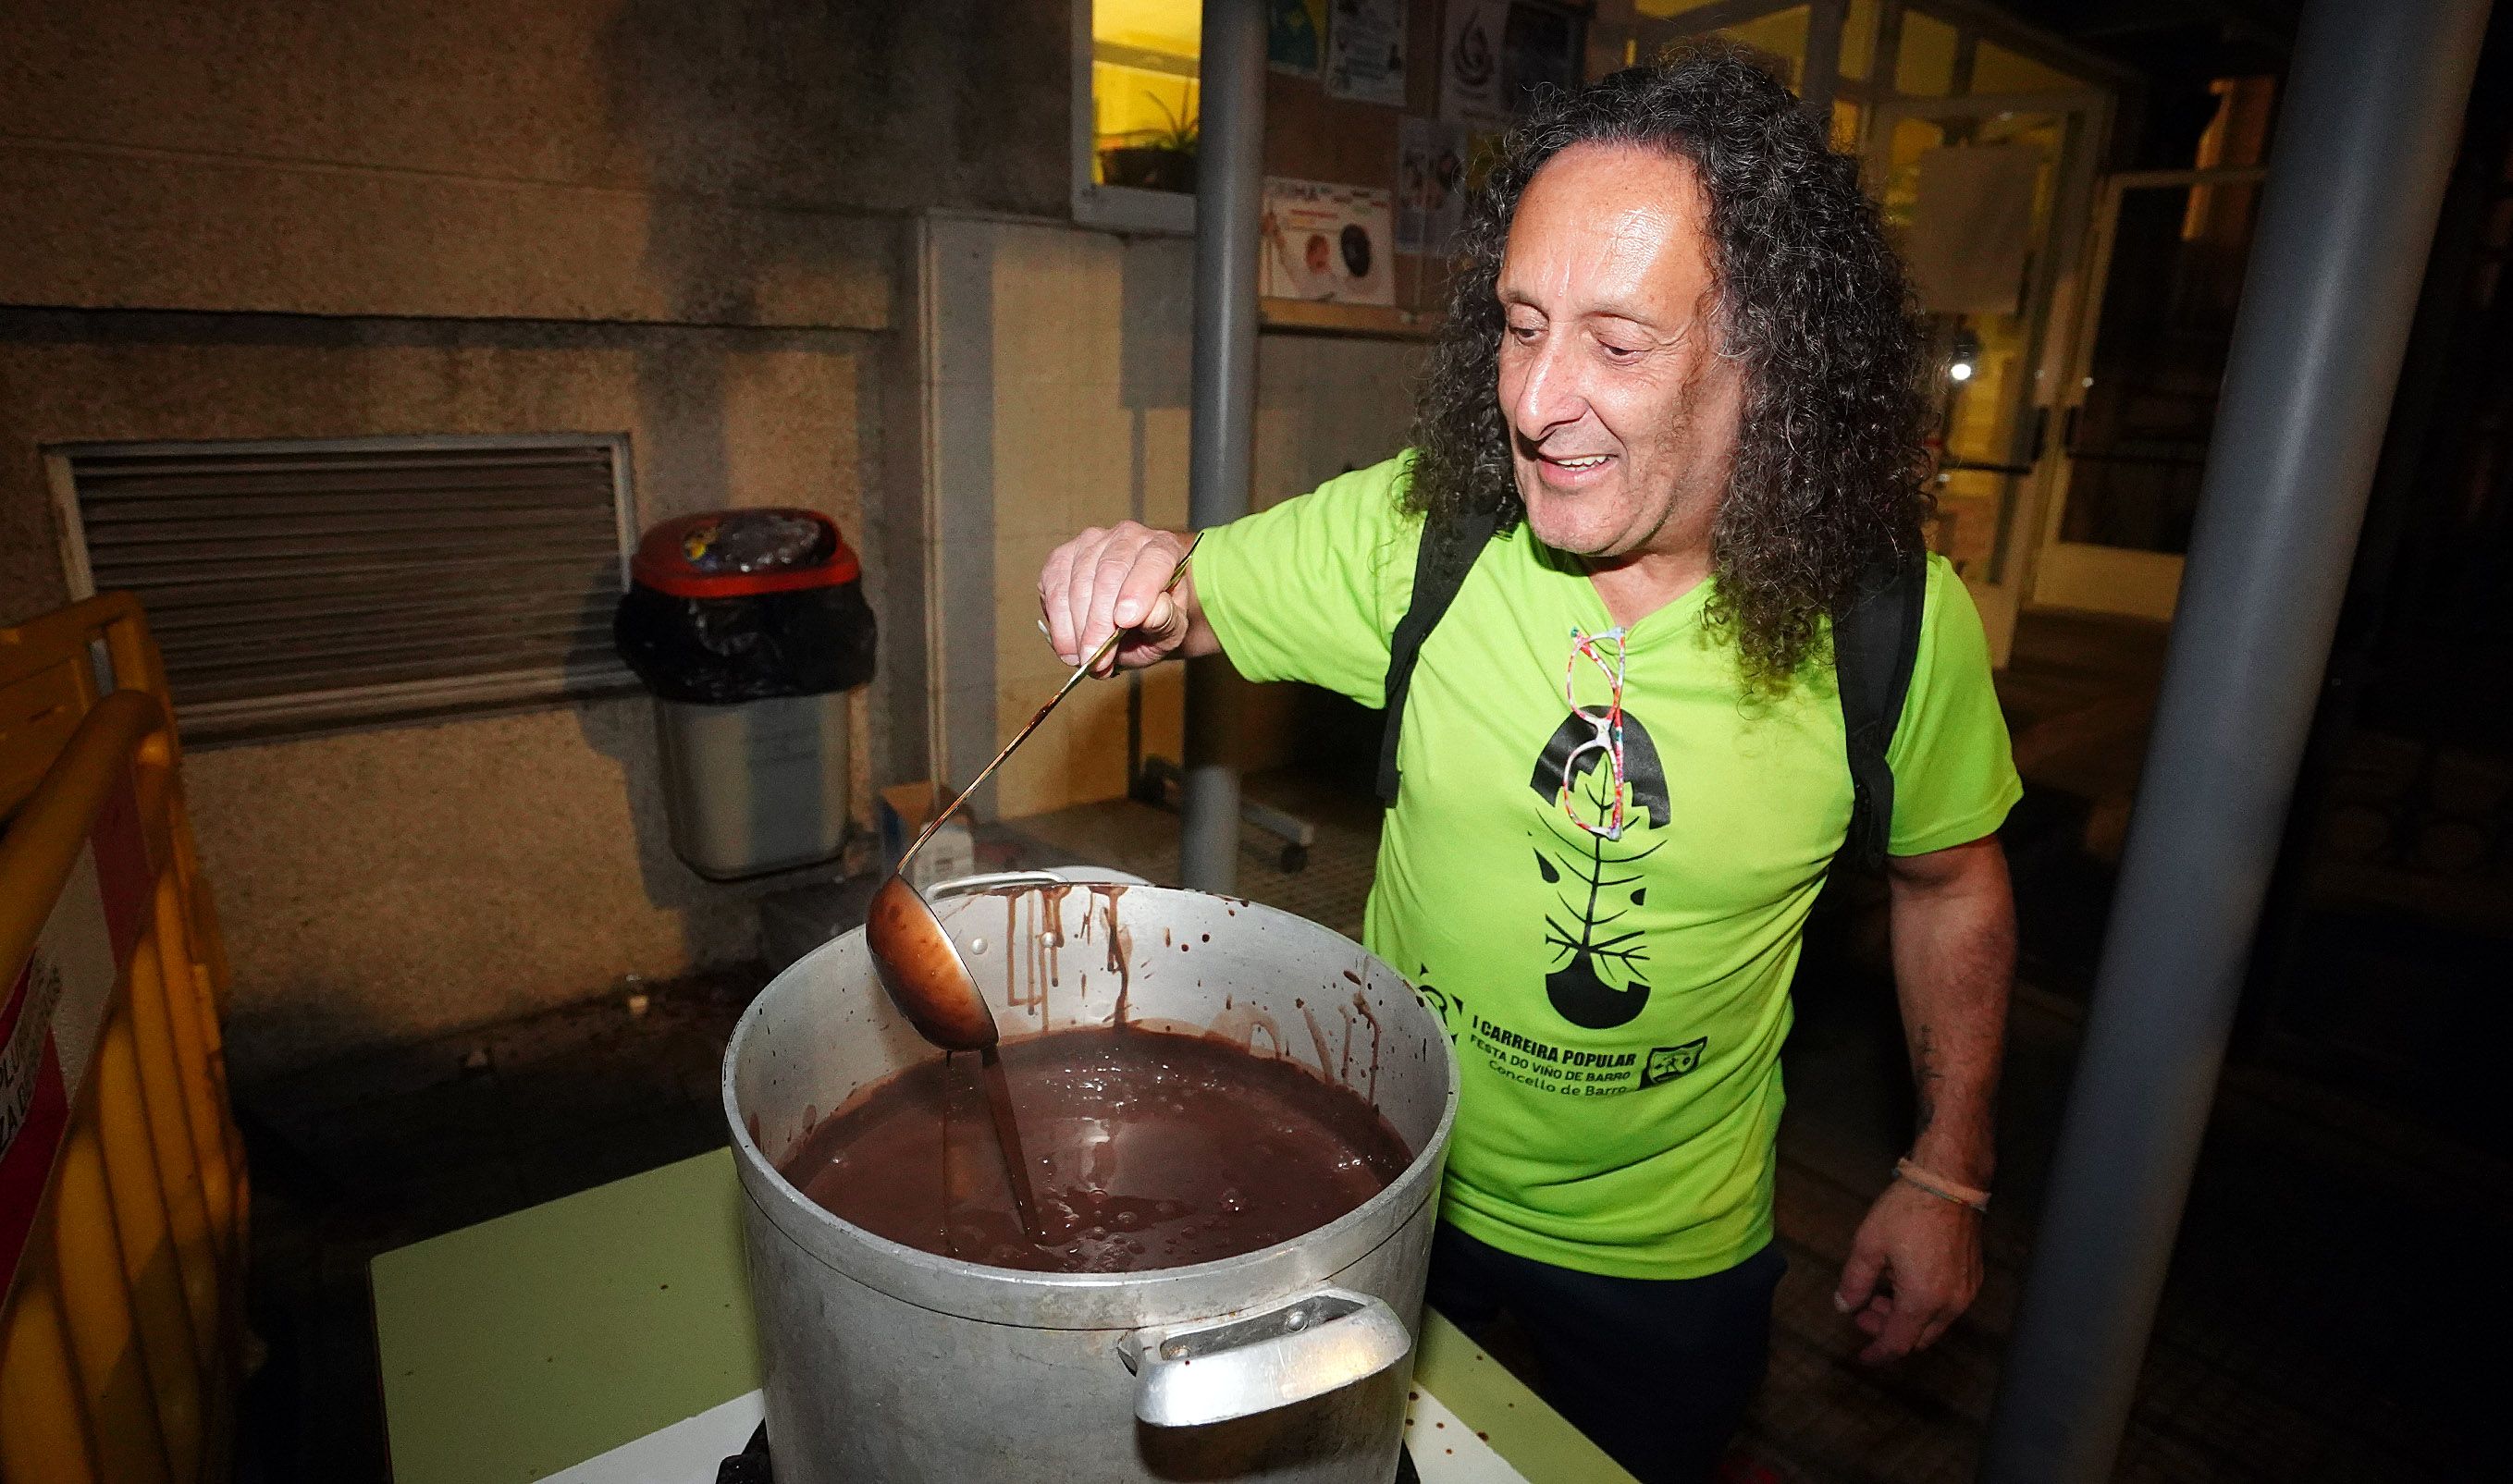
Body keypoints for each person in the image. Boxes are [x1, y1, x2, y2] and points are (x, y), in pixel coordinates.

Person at [1039, 44, 2017, 1484]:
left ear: (1770, 359)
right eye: (1518, 324)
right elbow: (1190, 594)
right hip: (1387, 1193)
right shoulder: (1426, 531)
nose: (1535, 397)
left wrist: (1945, 1168)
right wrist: (1131, 567)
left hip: (1671, 1255)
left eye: (1617, 344)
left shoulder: (1888, 624)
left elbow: (1951, 886)